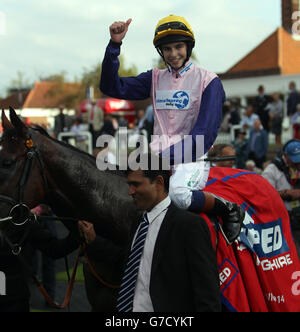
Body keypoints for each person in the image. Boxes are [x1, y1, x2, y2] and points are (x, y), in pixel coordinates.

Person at [99, 15, 243, 221]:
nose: (173, 54)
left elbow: (204, 134)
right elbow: (110, 86)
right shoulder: (155, 78)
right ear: (161, 52)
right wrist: (115, 44)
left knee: (178, 194)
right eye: (167, 49)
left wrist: (160, 160)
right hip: (158, 158)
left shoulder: (209, 81)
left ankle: (229, 209)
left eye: (178, 47)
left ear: (188, 47)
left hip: (191, 159)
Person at [116, 153, 221, 312]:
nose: (130, 191)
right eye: (129, 184)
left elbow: (207, 294)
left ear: (159, 182)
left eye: (136, 184)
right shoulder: (138, 222)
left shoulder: (190, 226)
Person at [0, 218, 80, 312]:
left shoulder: (23, 219)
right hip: (15, 297)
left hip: (15, 299)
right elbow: (55, 249)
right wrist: (78, 234)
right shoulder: (22, 219)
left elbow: (55, 249)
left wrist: (78, 233)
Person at [262, 139, 300, 258]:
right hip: (283, 219)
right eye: (294, 160)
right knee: (292, 254)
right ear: (285, 155)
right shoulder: (272, 170)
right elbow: (265, 195)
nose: (297, 163)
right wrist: (286, 193)